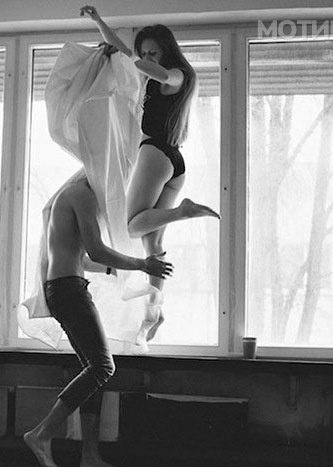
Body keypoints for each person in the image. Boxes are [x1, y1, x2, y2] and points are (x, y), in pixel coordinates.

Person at [80, 5, 220, 349]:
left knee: (132, 226)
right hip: (173, 163)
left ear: (167, 51)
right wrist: (99, 22)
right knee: (153, 245)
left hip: (156, 153)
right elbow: (128, 54)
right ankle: (154, 312)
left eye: (153, 52)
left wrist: (133, 59)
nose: (146, 58)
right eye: (144, 52)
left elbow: (156, 72)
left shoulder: (178, 75)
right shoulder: (160, 73)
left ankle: (182, 212)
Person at [23, 175, 173, 467]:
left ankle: (89, 456)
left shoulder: (69, 195)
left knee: (92, 370)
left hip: (63, 287)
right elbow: (96, 249)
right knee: (103, 367)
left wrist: (112, 271)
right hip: (69, 289)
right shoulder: (82, 194)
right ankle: (41, 434)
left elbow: (79, 256)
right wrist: (142, 264)